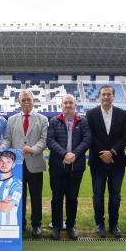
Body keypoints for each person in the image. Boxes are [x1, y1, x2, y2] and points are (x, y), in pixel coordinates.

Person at [1, 90, 48, 237]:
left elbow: (44, 140)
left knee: (36, 196)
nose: (26, 102)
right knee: (18, 197)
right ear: (19, 102)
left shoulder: (42, 119)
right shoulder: (12, 120)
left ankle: (36, 225)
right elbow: (8, 139)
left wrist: (33, 149)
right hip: (17, 166)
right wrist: (2, 147)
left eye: (29, 99)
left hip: (35, 163)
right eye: (23, 100)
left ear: (33, 101)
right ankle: (20, 224)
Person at [86, 85, 126, 238]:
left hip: (116, 162)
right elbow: (90, 136)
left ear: (113, 96)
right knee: (98, 194)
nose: (106, 97)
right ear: (99, 96)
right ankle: (100, 224)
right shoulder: (91, 114)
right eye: (103, 94)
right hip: (97, 162)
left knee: (115, 195)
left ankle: (113, 225)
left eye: (108, 94)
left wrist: (111, 153)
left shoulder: (122, 114)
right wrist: (104, 154)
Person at [46, 94, 91, 240]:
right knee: (57, 197)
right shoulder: (54, 121)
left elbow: (87, 140)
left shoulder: (83, 122)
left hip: (76, 167)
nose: (68, 105)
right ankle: (57, 226)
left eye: (70, 103)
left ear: (75, 105)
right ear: (62, 105)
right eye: (65, 103)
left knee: (72, 198)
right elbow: (50, 141)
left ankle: (71, 226)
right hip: (57, 166)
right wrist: (65, 154)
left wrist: (74, 155)